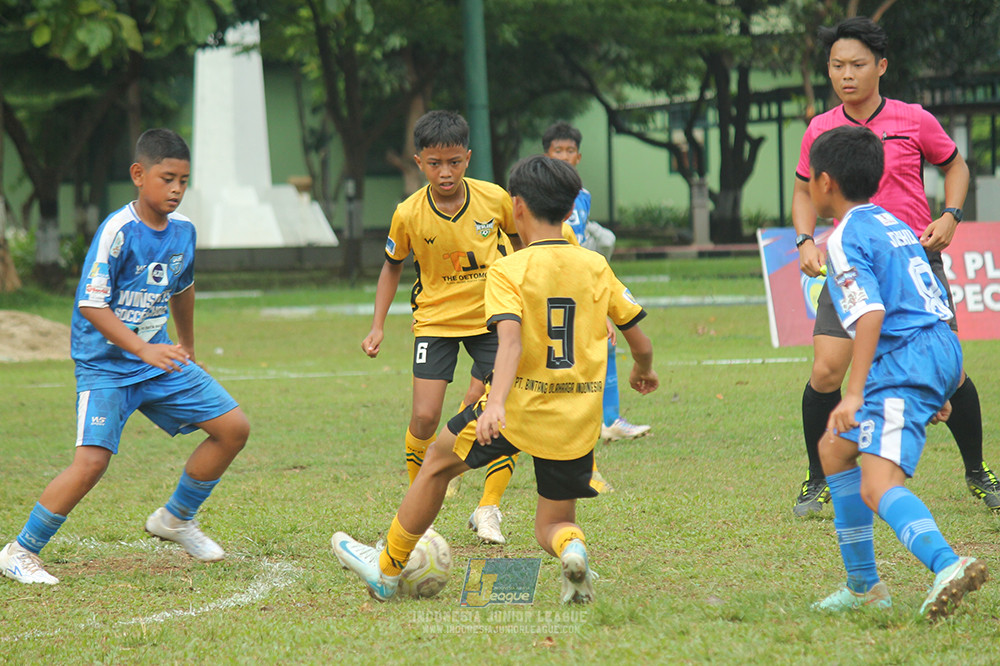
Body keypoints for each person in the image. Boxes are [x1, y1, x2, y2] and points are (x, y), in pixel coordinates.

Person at [333, 155, 658, 603]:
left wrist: (498, 402)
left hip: (517, 409)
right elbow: (639, 338)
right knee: (552, 524)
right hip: (576, 419)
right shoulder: (595, 265)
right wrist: (644, 369)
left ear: (517, 207)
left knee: (435, 466)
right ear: (569, 212)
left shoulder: (508, 270)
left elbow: (508, 343)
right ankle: (573, 548)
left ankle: (386, 569)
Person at [0, 129, 250, 585]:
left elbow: (182, 287)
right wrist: (143, 349)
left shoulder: (184, 232)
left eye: (184, 181)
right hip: (106, 364)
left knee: (233, 428)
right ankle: (20, 550)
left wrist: (187, 346)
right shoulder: (118, 231)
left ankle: (175, 519)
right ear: (139, 175)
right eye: (167, 178)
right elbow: (91, 304)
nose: (176, 189)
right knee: (92, 462)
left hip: (158, 357)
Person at [790, 17, 998, 517]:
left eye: (857, 64)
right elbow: (802, 190)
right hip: (848, 264)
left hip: (912, 259)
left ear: (881, 67)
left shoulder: (914, 119)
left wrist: (951, 215)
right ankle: (818, 479)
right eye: (837, 65)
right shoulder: (820, 127)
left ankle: (978, 472)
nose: (846, 74)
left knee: (951, 373)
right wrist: (803, 240)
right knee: (825, 370)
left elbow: (956, 165)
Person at [808, 125, 986, 619]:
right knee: (834, 449)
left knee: (876, 482)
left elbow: (870, 313)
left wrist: (854, 392)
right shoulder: (892, 221)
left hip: (906, 358)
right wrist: (940, 383)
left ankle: (947, 563)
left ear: (824, 182)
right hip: (939, 346)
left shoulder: (843, 238)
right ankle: (864, 586)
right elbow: (924, 298)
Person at [361, 110, 523, 545]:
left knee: (500, 412)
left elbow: (529, 239)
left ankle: (488, 508)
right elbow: (391, 268)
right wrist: (378, 326)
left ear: (468, 158)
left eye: (454, 161)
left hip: (494, 319)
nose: (445, 172)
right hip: (435, 320)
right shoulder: (409, 213)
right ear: (419, 162)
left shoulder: (494, 200)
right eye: (435, 163)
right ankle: (422, 504)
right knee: (425, 415)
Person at [542, 121, 651, 443]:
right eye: (557, 150)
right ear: (546, 155)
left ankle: (609, 419)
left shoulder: (582, 196)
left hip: (575, 280)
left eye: (569, 151)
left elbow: (575, 246)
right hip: (544, 282)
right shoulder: (536, 194)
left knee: (603, 344)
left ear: (578, 157)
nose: (563, 156)